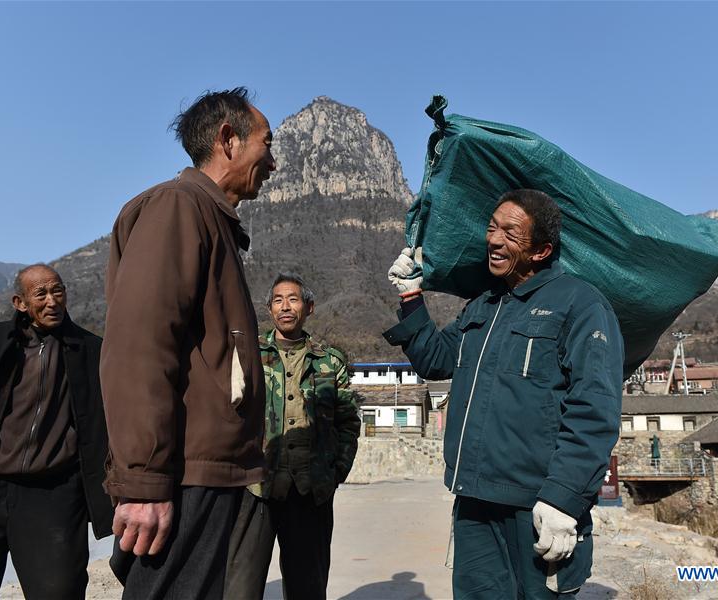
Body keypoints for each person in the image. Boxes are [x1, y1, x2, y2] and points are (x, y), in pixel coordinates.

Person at [384, 190, 623, 599]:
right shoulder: (484, 306)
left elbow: (594, 411)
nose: (494, 239)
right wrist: (410, 297)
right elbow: (437, 360)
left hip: (537, 508)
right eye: (492, 228)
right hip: (474, 501)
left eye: (510, 233)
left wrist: (563, 500)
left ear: (541, 250)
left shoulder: (580, 305)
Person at [101, 87, 276, 600]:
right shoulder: (177, 208)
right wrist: (143, 484)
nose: (273, 160)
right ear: (229, 139)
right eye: (267, 144)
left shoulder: (209, 218)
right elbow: (139, 347)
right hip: (182, 475)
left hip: (203, 471)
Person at [0, 264, 112, 599]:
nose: (52, 301)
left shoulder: (91, 351)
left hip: (52, 495)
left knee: (59, 592)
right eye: (40, 293)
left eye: (57, 291)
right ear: (19, 302)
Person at [225, 272, 360, 600]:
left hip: (310, 491)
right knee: (239, 587)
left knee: (307, 588)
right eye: (278, 300)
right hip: (255, 488)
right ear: (269, 309)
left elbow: (348, 423)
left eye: (293, 299)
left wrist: (334, 472)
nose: (285, 306)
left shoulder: (330, 362)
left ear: (309, 307)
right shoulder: (250, 357)